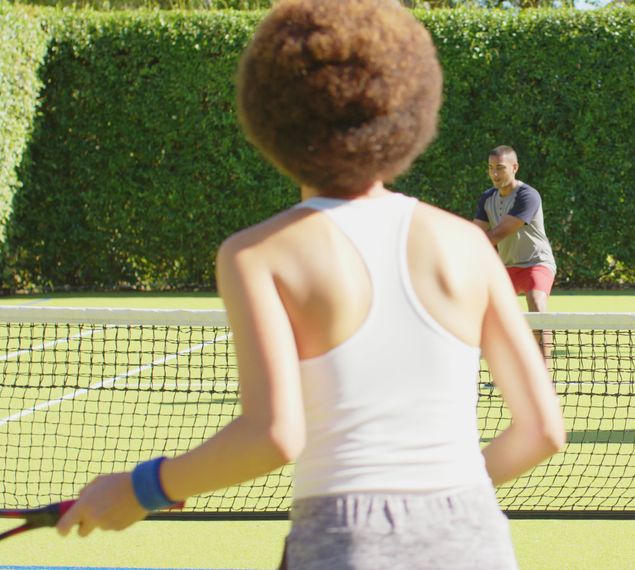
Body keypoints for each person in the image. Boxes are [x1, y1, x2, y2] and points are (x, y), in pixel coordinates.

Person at [55, 1, 566, 568]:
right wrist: (448, 493)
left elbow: (272, 436)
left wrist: (137, 490)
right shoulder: (466, 244)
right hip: (476, 540)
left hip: (341, 544)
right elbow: (542, 431)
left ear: (270, 116)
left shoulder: (255, 254)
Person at [472, 146, 557, 362]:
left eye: (500, 168)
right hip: (506, 266)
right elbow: (478, 234)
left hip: (536, 262)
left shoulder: (528, 196)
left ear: (515, 167)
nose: (495, 174)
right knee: (493, 317)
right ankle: (503, 371)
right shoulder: (486, 198)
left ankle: (543, 374)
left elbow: (498, 233)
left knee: (537, 306)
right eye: (491, 168)